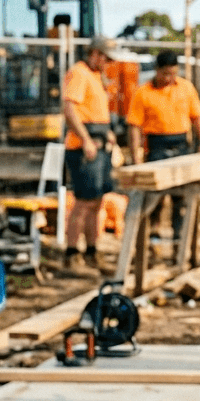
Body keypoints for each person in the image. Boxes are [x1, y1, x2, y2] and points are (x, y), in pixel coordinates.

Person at [126, 50, 200, 252]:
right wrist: (136, 152)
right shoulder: (143, 92)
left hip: (181, 144)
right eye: (165, 74)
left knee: (181, 196)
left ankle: (179, 238)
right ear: (157, 71)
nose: (169, 78)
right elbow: (134, 126)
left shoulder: (186, 88)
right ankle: (153, 234)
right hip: (157, 146)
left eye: (173, 74)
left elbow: (197, 117)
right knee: (155, 194)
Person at [61, 35, 117, 272]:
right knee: (83, 202)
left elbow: (95, 110)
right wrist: (85, 140)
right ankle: (72, 254)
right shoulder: (79, 73)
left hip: (99, 142)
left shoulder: (95, 76)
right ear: (95, 54)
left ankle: (93, 252)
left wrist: (108, 134)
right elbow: (69, 108)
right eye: (105, 58)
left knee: (97, 201)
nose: (107, 63)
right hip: (84, 147)